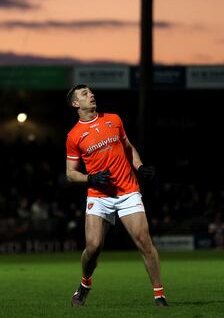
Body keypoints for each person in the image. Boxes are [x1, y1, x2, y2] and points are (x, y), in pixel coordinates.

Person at [65, 84, 168, 307]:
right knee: (92, 247)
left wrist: (139, 167)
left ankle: (159, 295)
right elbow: (70, 174)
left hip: (127, 190)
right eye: (84, 94)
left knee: (144, 241)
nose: (91, 95)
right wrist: (90, 179)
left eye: (91, 92)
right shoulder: (74, 136)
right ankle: (85, 284)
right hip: (99, 195)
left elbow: (128, 148)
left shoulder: (113, 119)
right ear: (76, 104)